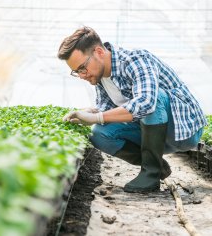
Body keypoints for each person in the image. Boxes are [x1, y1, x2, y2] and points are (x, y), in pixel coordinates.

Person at [58, 26, 207, 193]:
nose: (82, 75)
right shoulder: (100, 78)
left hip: (183, 129)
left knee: (152, 98)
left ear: (99, 52)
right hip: (154, 134)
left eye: (82, 68)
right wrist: (88, 114)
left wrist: (97, 117)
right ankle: (156, 166)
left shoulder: (136, 60)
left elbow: (146, 103)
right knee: (99, 134)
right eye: (76, 72)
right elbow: (105, 111)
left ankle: (150, 174)